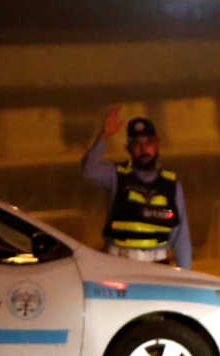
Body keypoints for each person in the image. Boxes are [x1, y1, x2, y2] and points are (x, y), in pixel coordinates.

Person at [79, 108, 193, 267]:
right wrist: (104, 136)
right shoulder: (116, 176)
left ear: (157, 145)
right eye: (137, 144)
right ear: (128, 148)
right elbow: (89, 170)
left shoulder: (171, 185)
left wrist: (186, 277)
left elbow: (180, 235)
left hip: (158, 265)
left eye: (148, 143)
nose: (143, 149)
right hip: (119, 264)